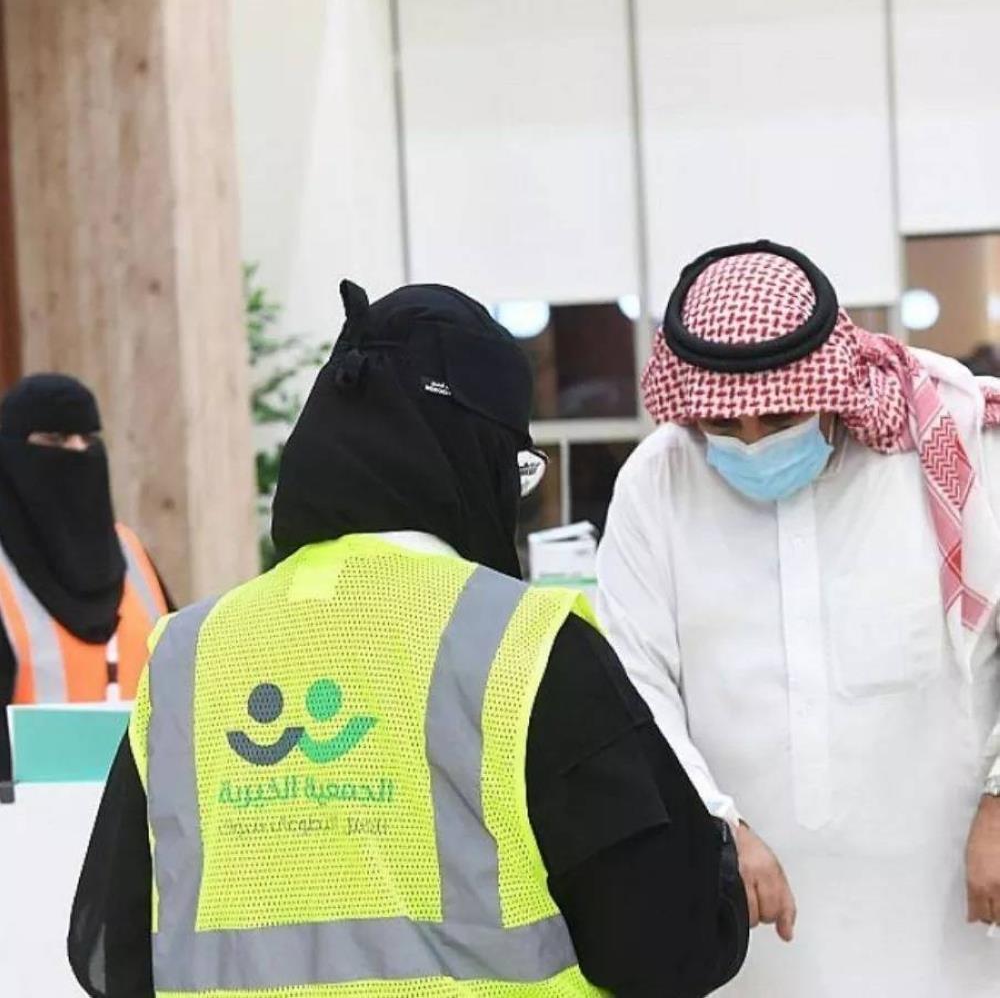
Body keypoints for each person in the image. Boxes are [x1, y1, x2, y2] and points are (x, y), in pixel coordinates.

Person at [68, 279, 748, 998]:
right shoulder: (525, 647)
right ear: (478, 459)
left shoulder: (188, 656)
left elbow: (108, 951)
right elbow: (663, 944)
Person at [596, 239, 1000, 997]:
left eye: (780, 414)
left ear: (831, 383)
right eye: (725, 424)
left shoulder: (951, 445)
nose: (753, 442)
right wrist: (717, 826)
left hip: (955, 907)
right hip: (753, 914)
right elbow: (633, 681)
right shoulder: (660, 482)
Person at [0, 374, 171, 793]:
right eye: (55, 439)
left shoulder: (131, 553)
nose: (78, 452)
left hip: (137, 814)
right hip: (26, 819)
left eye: (88, 438)